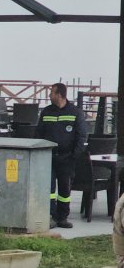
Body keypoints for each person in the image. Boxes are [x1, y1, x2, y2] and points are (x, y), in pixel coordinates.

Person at [36, 82, 88, 228]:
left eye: (51, 92)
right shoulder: (46, 112)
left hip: (67, 158)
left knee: (65, 190)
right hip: (49, 157)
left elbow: (81, 136)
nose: (49, 95)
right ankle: (51, 216)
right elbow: (38, 134)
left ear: (59, 94)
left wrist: (74, 156)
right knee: (49, 190)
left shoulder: (75, 112)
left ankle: (63, 217)